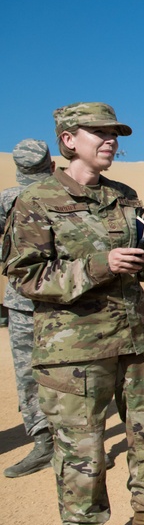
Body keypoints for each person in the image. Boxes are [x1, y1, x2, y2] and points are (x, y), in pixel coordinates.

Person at [2, 103, 144, 525]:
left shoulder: (125, 195)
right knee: (82, 448)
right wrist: (100, 264)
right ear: (68, 140)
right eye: (99, 132)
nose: (111, 140)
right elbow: (24, 276)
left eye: (115, 133)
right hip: (74, 349)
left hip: (139, 339)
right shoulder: (35, 201)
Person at [1, 139, 55, 478]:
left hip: (26, 301)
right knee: (71, 374)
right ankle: (68, 445)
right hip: (63, 299)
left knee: (29, 374)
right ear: (51, 163)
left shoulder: (7, 199)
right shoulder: (65, 192)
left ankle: (46, 443)